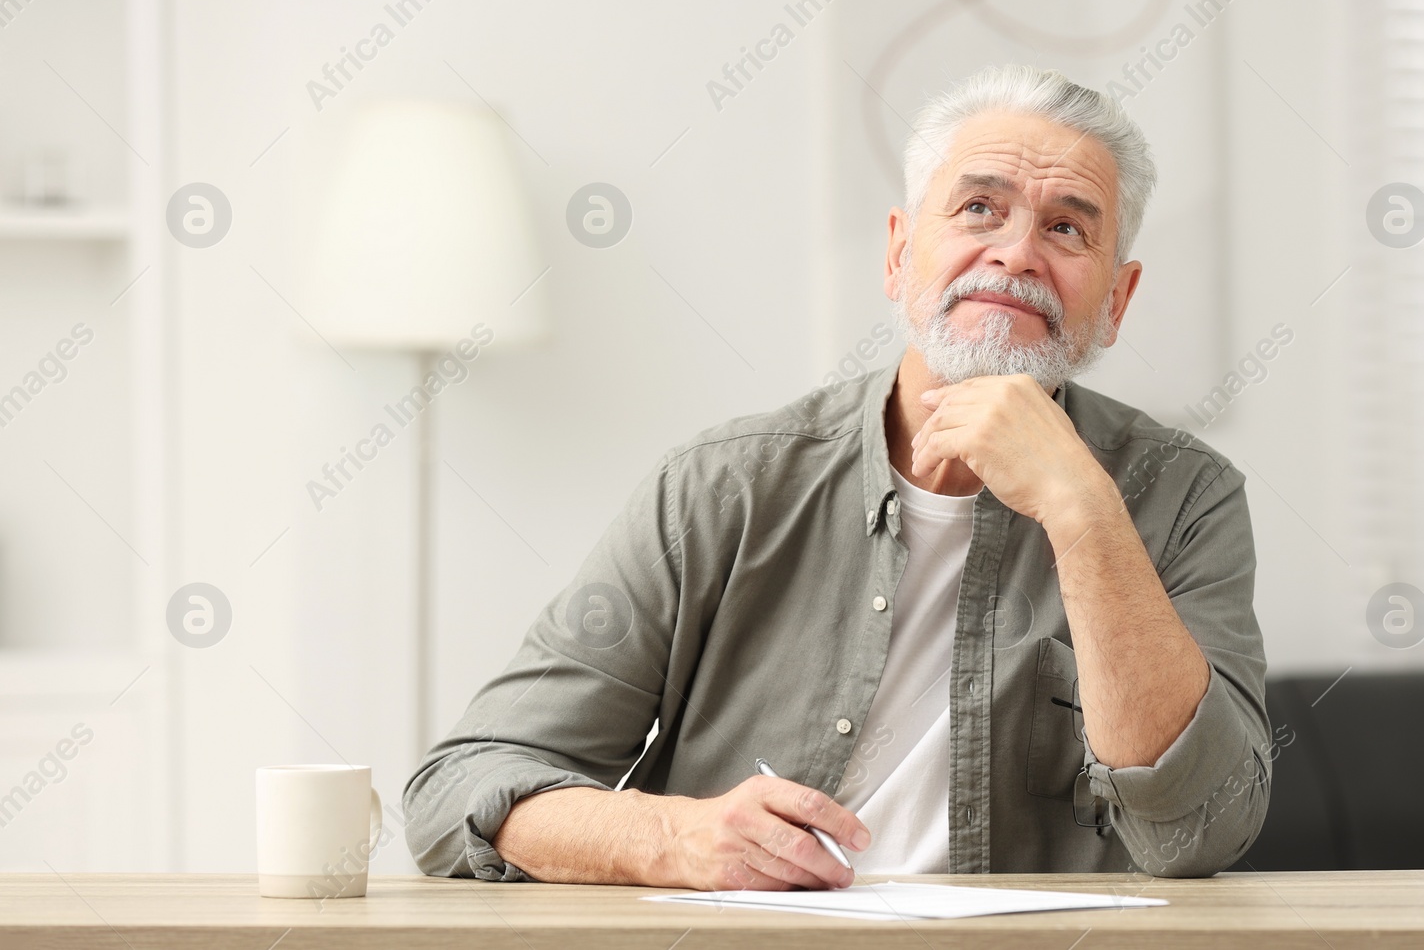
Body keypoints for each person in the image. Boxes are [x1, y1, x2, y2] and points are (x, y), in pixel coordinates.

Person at [404, 64, 1270, 889]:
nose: (1014, 255)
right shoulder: (722, 488)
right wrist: (673, 836)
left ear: (1116, 300)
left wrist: (1083, 513)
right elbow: (460, 788)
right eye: (978, 208)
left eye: (1067, 227)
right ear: (899, 255)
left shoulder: (1187, 498)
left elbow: (1198, 830)